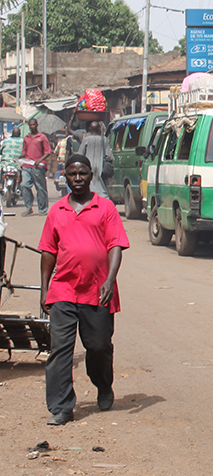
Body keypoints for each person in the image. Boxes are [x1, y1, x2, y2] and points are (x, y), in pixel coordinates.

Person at [39, 154, 129, 426]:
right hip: (64, 290)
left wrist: (109, 280)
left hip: (97, 292)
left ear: (91, 175)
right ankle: (61, 407)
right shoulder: (57, 211)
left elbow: (115, 245)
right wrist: (45, 289)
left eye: (82, 173)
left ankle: (103, 385)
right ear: (64, 177)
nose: (77, 178)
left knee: (98, 346)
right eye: (72, 174)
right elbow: (48, 251)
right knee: (60, 351)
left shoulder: (105, 208)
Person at [19, 119, 51, 216]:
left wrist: (40, 160)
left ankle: (42, 209)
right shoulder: (26, 137)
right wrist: (19, 157)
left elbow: (47, 152)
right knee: (24, 185)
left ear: (37, 125)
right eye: (30, 125)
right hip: (27, 165)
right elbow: (24, 151)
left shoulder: (42, 137)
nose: (32, 126)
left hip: (38, 166)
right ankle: (28, 207)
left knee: (40, 188)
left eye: (33, 125)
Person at [78, 121, 114, 199]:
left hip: (88, 168)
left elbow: (80, 155)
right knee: (102, 188)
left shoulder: (86, 140)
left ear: (89, 129)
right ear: (98, 129)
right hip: (100, 168)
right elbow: (109, 156)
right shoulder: (104, 140)